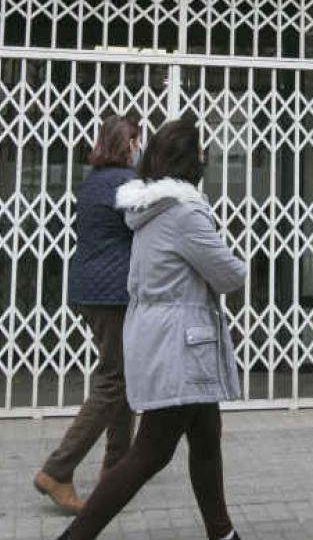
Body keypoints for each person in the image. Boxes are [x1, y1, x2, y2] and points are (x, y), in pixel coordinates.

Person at [56, 119, 246, 540]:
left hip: (169, 336)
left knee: (206, 437)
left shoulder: (148, 209)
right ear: (188, 159)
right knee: (151, 452)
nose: (204, 158)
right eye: (200, 152)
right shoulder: (184, 213)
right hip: (180, 344)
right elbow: (230, 276)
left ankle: (223, 532)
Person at [34, 114, 142, 514]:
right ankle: (57, 470)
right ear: (125, 145)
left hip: (91, 288)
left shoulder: (94, 180)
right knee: (113, 381)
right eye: (135, 142)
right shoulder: (124, 183)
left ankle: (116, 469)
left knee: (124, 376)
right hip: (112, 293)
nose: (138, 149)